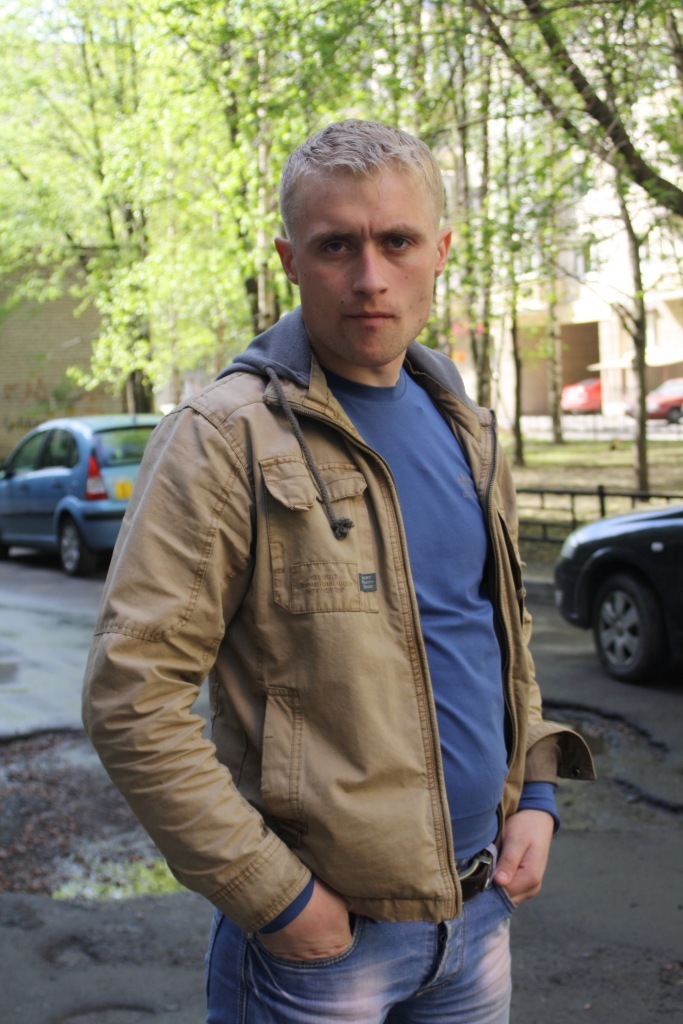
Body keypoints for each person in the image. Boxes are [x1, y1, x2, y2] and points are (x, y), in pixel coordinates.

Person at [82, 119, 594, 1024]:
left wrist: (538, 792)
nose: (369, 277)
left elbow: (496, 637)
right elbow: (131, 696)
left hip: (479, 915)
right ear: (289, 259)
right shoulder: (222, 438)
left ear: (440, 251)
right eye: (334, 246)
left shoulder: (466, 427)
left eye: (396, 241)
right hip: (321, 956)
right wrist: (276, 898)